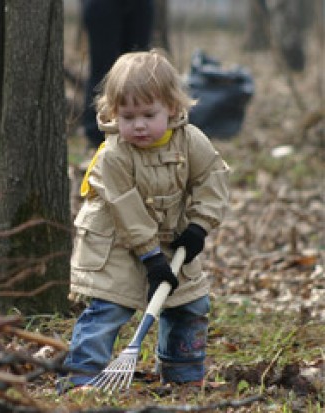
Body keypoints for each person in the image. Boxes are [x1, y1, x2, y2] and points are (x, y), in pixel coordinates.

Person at [59, 49, 230, 392]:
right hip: (115, 246)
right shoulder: (114, 155)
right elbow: (126, 209)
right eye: (128, 116)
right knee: (108, 308)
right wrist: (150, 257)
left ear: (172, 107)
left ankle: (183, 374)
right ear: (113, 114)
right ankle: (81, 378)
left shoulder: (190, 140)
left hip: (174, 240)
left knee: (190, 305)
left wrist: (199, 226)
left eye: (148, 114)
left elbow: (212, 178)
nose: (138, 125)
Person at [81, 0, 154, 150]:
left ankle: (138, 128)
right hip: (101, 5)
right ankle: (98, 135)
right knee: (102, 70)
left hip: (140, 6)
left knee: (139, 68)